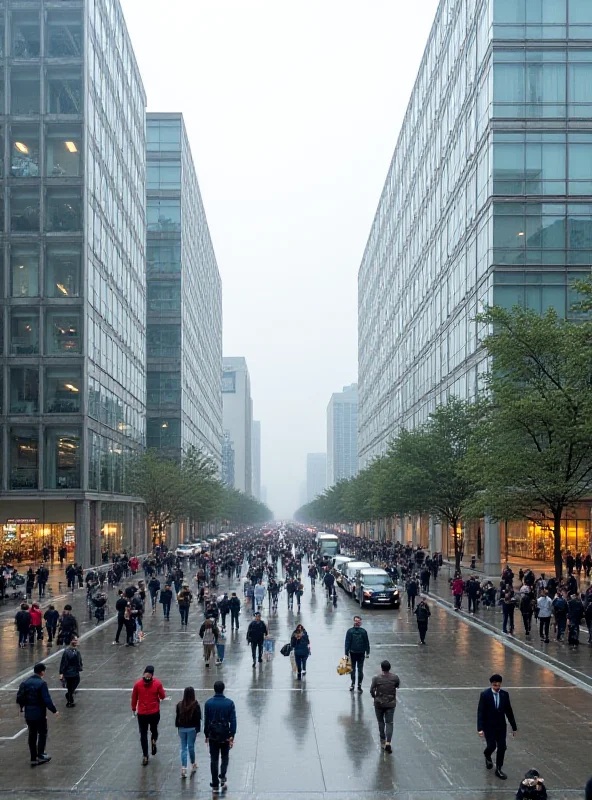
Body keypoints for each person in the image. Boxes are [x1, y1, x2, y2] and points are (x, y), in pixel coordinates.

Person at [16, 662, 59, 766]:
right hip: (39, 713)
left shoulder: (25, 682)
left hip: (29, 714)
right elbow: (46, 699)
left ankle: (33, 756)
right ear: (42, 672)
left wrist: (22, 708)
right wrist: (54, 710)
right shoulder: (42, 684)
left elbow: (21, 697)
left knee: (32, 734)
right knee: (42, 733)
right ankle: (40, 753)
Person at [477, 673, 518, 780]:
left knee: (502, 747)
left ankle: (499, 769)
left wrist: (514, 727)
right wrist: (480, 728)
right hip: (489, 726)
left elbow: (509, 711)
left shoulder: (505, 694)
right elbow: (480, 712)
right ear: (491, 684)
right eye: (495, 686)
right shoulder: (485, 694)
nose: (497, 688)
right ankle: (487, 754)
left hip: (500, 726)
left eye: (498, 685)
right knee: (492, 746)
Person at [204, 680, 237, 793]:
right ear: (223, 689)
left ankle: (214, 783)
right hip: (225, 734)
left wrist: (206, 734)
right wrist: (232, 734)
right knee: (225, 756)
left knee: (213, 759)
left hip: (213, 735)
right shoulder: (230, 703)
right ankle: (222, 775)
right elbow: (233, 720)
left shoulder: (208, 703)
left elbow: (206, 720)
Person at [131, 665, 166, 766]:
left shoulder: (138, 684)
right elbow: (162, 696)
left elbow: (134, 698)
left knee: (143, 734)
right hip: (154, 712)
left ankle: (145, 755)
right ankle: (154, 740)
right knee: (154, 730)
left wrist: (134, 708)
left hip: (142, 713)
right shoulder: (157, 683)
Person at [370, 660, 400, 753]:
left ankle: (382, 740)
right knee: (389, 723)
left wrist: (375, 697)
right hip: (390, 704)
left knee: (380, 722)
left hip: (379, 703)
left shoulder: (376, 678)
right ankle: (388, 742)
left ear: (381, 668)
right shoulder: (395, 678)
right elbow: (397, 686)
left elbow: (371, 690)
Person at [175, 686, 201, 778]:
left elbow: (177, 717)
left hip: (181, 728)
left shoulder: (179, 705)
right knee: (191, 746)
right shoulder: (196, 705)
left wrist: (178, 727)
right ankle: (193, 763)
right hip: (192, 729)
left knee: (183, 747)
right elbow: (198, 719)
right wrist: (198, 730)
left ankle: (183, 768)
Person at [344, 615, 370, 692]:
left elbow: (366, 642)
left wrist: (367, 651)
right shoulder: (350, 631)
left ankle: (359, 684)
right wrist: (346, 653)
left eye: (358, 621)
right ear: (354, 621)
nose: (357, 622)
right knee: (352, 670)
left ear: (360, 622)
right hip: (353, 653)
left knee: (360, 670)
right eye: (355, 621)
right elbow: (347, 642)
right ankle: (353, 683)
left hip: (361, 653)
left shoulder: (363, 631)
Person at [59, 637, 83, 707]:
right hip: (69, 672)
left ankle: (69, 696)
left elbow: (79, 660)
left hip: (75, 671)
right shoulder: (67, 652)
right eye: (74, 640)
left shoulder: (76, 651)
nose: (76, 642)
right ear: (71, 641)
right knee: (70, 686)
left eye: (76, 640)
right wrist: (61, 673)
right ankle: (69, 701)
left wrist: (80, 666)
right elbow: (63, 663)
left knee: (75, 683)